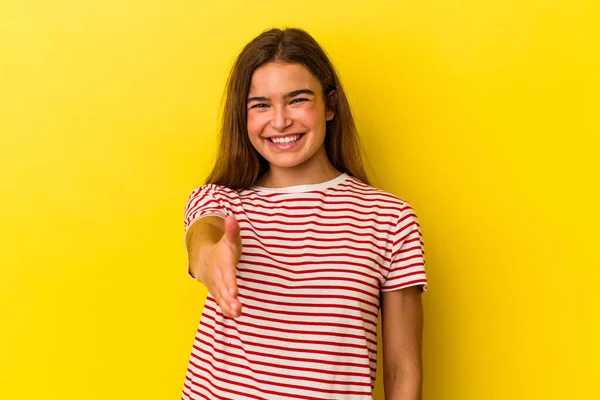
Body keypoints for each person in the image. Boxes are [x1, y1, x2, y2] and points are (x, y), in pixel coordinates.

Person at [181, 27, 427, 400]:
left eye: (297, 100)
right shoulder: (221, 201)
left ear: (330, 105)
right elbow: (204, 236)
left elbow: (402, 368)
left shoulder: (390, 218)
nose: (279, 121)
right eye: (260, 105)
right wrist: (210, 257)